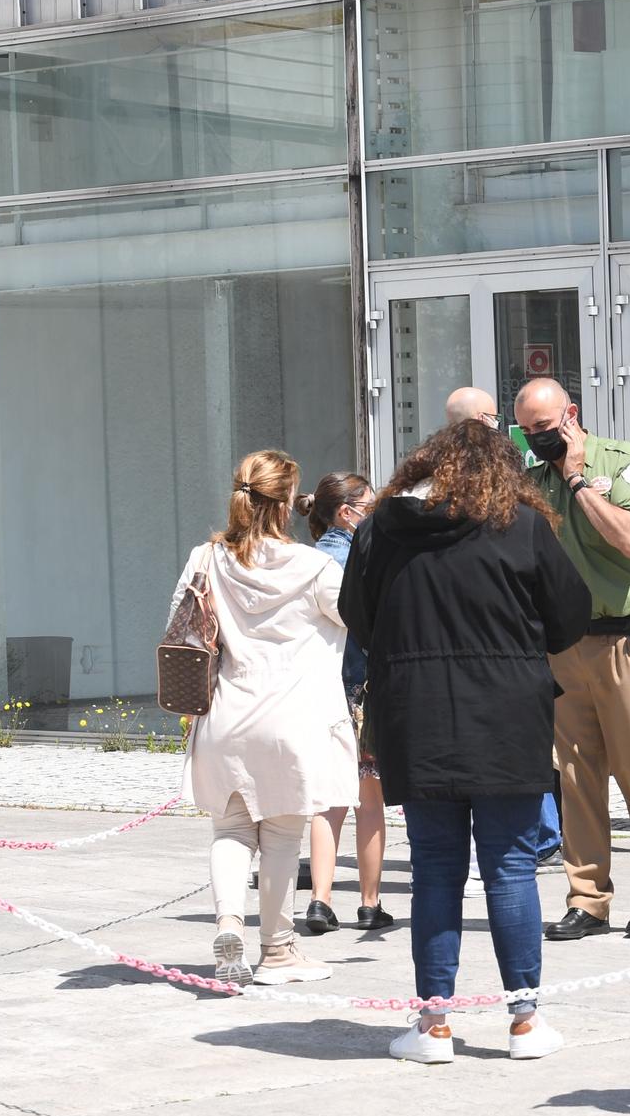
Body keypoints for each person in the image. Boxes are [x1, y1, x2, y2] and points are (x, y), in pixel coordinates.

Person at [341, 419, 591, 1063]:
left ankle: (434, 1026)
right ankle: (525, 1022)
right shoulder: (524, 527)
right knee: (509, 869)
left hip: (416, 716)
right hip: (507, 715)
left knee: (434, 869)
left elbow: (356, 618)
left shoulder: (379, 531)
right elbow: (569, 617)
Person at [171, 450, 357, 988]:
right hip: (295, 718)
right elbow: (357, 616)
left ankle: (229, 920)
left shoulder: (205, 558)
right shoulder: (315, 566)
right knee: (280, 837)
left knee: (229, 829)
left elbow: (179, 627)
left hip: (227, 712)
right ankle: (276, 950)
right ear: (287, 502)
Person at [516, 378, 630, 942]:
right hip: (563, 647)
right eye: (528, 432)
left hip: (627, 642)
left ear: (571, 417)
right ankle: (587, 898)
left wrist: (579, 480)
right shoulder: (531, 481)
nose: (538, 440)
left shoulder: (625, 461)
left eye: (545, 429)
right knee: (576, 777)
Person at [443, 383, 562, 863]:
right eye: (495, 418)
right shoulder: (512, 495)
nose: (505, 429)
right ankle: (544, 835)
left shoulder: (419, 493)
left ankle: (543, 834)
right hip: (508, 654)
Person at [293, 473, 392, 934]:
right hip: (366, 690)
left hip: (321, 691)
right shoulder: (364, 557)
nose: (374, 512)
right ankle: (370, 903)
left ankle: (319, 900)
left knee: (325, 801)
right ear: (346, 511)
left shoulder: (306, 560)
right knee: (368, 801)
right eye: (369, 505)